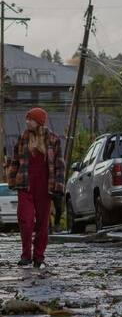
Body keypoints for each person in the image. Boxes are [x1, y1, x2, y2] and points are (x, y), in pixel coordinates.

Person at [7, 108, 65, 267]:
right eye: (27, 119)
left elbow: (60, 165)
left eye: (30, 119)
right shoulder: (23, 138)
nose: (27, 122)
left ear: (38, 121)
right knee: (25, 220)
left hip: (45, 188)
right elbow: (15, 161)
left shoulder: (53, 139)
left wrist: (59, 187)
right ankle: (26, 255)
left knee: (42, 223)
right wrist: (12, 181)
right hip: (25, 186)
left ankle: (39, 256)